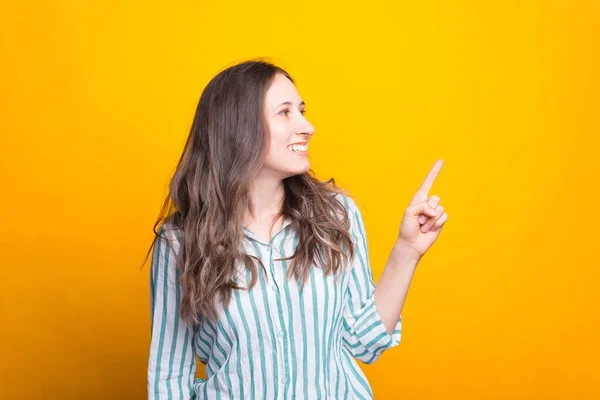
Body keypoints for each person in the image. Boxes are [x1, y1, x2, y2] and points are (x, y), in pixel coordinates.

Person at [144, 59, 448, 399]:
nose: (308, 126)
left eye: (301, 110)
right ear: (238, 127)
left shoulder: (337, 215)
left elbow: (364, 341)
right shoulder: (180, 242)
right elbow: (169, 378)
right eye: (285, 112)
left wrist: (407, 250)